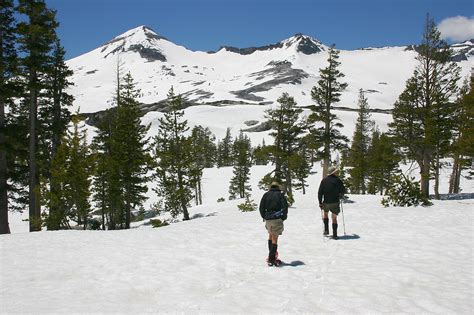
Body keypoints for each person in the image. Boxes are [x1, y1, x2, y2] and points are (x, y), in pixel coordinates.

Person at [259, 181, 288, 266]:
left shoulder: (266, 195)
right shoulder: (280, 195)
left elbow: (261, 207)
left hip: (268, 218)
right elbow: (285, 207)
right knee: (275, 239)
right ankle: (272, 259)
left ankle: (271, 255)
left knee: (270, 235)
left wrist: (264, 216)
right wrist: (283, 217)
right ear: (278, 187)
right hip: (277, 218)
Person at [318, 166, 345, 239]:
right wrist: (341, 195)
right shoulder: (338, 180)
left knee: (325, 214)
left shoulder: (324, 180)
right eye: (336, 171)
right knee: (334, 218)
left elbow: (320, 192)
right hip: (335, 202)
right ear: (334, 172)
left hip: (326, 202)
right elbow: (343, 190)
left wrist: (320, 202)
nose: (337, 172)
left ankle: (326, 230)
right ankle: (335, 234)